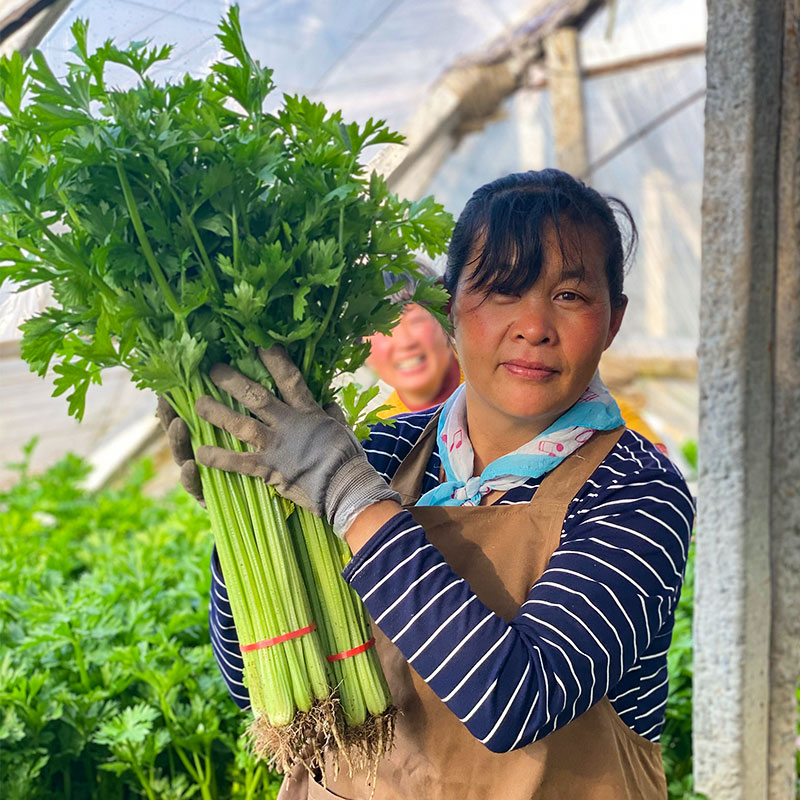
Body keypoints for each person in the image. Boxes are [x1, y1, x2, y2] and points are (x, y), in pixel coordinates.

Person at [186, 169, 693, 799]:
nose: (533, 325)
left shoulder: (636, 490)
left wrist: (349, 499)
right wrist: (248, 518)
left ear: (613, 320)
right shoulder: (391, 450)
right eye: (502, 292)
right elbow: (248, 680)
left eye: (568, 296)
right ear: (450, 307)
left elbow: (516, 702)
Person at [365, 261, 462, 417]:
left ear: (446, 314)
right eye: (383, 330)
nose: (405, 343)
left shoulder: (490, 362)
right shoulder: (380, 433)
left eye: (416, 321)